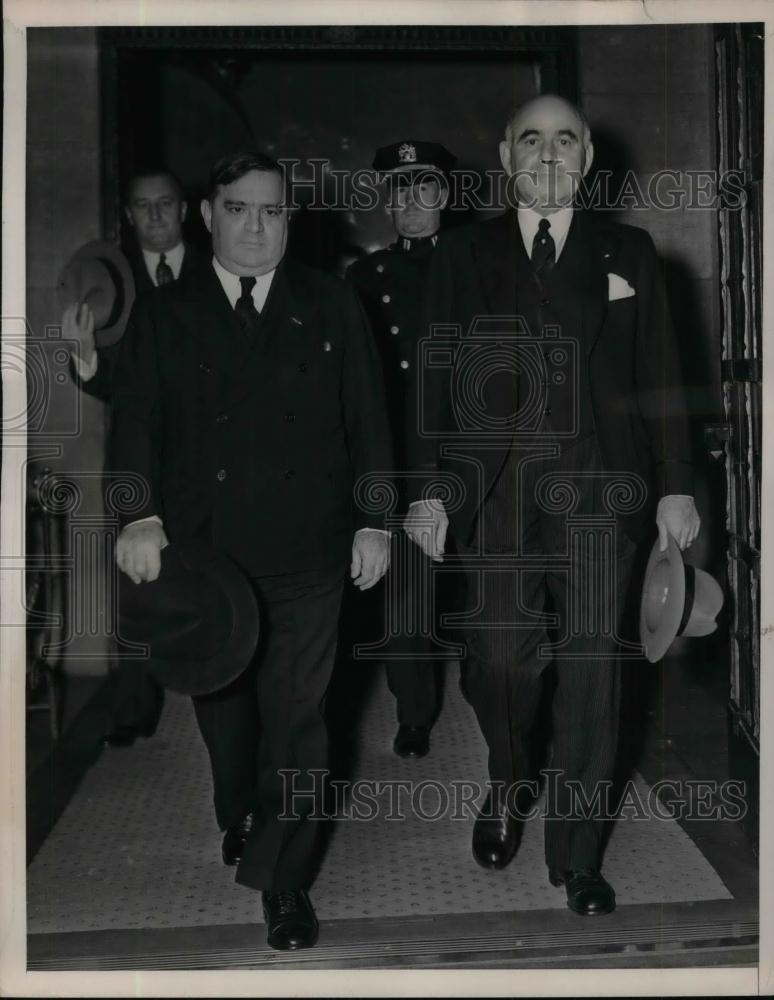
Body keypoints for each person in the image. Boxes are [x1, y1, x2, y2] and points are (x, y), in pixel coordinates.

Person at [404, 95, 700, 916]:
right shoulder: (461, 255)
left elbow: (662, 376)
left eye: (563, 141)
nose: (546, 155)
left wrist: (677, 482)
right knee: (501, 661)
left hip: (603, 485)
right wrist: (432, 492)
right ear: (505, 155)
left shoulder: (632, 253)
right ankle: (508, 778)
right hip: (494, 487)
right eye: (530, 140)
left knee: (594, 676)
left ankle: (577, 856)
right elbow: (433, 381)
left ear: (588, 156)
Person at [109, 151, 392, 950]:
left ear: (290, 219)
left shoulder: (331, 303)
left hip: (309, 548)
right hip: (206, 559)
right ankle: (239, 812)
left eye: (272, 211)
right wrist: (137, 516)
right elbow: (135, 424)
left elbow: (371, 421)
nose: (256, 226)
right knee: (226, 718)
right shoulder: (167, 314)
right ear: (208, 216)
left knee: (298, 718)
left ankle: (284, 878)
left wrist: (374, 520)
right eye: (239, 209)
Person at [66, 167, 205, 748]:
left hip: (206, 455)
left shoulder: (220, 268)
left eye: (164, 204)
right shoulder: (109, 282)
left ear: (185, 209)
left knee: (207, 570)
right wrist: (87, 362)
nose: (154, 216)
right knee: (134, 577)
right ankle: (134, 705)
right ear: (127, 215)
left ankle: (214, 687)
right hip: (139, 454)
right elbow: (121, 389)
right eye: (142, 207)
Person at [346, 140, 457, 760]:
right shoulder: (364, 277)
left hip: (471, 451)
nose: (411, 200)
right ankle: (414, 711)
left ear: (444, 194)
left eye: (424, 186)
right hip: (400, 453)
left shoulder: (475, 265)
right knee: (408, 599)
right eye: (399, 189)